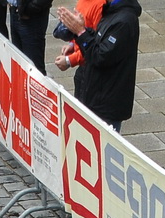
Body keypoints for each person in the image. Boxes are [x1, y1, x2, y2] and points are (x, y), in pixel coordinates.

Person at [52, 0, 140, 131]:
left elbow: (101, 56)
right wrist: (80, 33)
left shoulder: (124, 21)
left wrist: (81, 33)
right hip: (94, 93)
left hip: (106, 103)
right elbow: (98, 40)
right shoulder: (111, 11)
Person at [9, 0, 52, 72]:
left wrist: (28, 9)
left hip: (31, 18)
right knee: (18, 65)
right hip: (15, 12)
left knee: (34, 69)